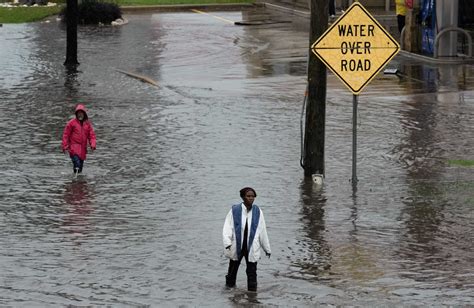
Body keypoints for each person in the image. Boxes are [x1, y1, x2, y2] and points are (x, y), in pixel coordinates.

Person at [223, 187, 271, 292]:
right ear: (243, 197)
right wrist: (227, 243)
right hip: (237, 246)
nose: (251, 198)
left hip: (252, 247)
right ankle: (229, 292)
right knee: (232, 271)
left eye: (253, 196)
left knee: (252, 272)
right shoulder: (235, 210)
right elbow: (227, 227)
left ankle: (252, 294)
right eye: (248, 196)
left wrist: (267, 249)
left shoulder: (258, 212)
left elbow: (262, 231)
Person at [62, 104, 96, 174]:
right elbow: (66, 135)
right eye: (78, 113)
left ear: (84, 114)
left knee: (80, 168)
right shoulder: (71, 123)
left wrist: (93, 144)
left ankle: (78, 182)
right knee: (77, 164)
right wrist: (65, 146)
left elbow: (91, 135)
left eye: (81, 113)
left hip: (83, 149)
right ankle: (75, 179)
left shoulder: (87, 124)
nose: (80, 115)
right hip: (73, 149)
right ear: (76, 114)